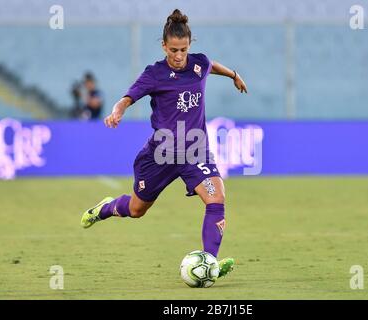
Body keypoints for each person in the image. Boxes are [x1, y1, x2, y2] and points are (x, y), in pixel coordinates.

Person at [80, 9, 248, 279]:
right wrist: (118, 110)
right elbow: (128, 97)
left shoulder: (199, 64)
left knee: (216, 198)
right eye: (173, 50)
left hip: (195, 149)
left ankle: (209, 264)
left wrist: (234, 75)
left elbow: (211, 65)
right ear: (163, 46)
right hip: (161, 153)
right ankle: (106, 208)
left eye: (183, 49)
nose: (179, 56)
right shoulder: (154, 74)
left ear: (190, 45)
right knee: (136, 210)